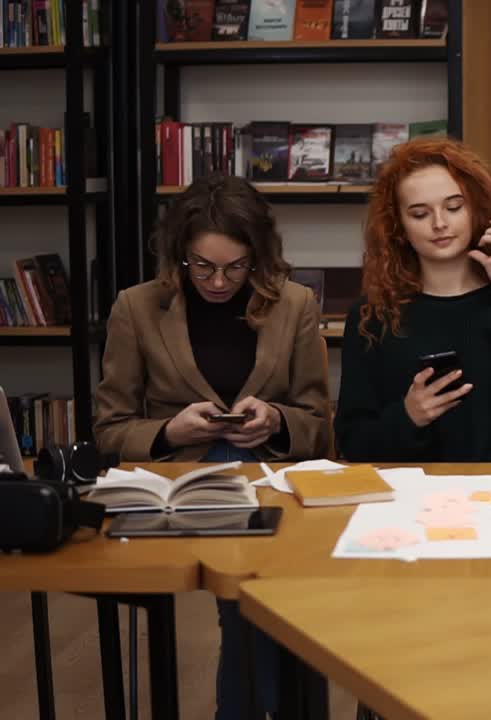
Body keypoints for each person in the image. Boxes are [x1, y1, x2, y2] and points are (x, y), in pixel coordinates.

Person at [94, 173, 332, 719]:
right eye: (202, 266)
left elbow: (319, 426)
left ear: (258, 257)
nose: (219, 281)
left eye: (235, 267)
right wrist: (171, 431)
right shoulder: (136, 308)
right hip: (177, 489)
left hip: (271, 482)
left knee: (261, 599)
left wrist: (273, 420)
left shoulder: (294, 304)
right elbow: (109, 429)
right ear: (179, 255)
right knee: (258, 597)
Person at [335, 136, 491, 462]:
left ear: (476, 209)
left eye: (454, 207)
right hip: (417, 500)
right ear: (399, 227)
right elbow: (353, 442)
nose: (440, 223)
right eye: (420, 214)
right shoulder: (374, 317)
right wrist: (409, 416)